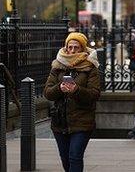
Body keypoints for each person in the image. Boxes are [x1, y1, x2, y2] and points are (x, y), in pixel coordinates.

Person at [45, 32, 101, 172]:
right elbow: (47, 93)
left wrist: (76, 90)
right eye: (70, 47)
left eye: (76, 47)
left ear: (83, 48)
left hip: (82, 121)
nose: (72, 50)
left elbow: (95, 94)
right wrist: (60, 88)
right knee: (65, 158)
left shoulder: (90, 68)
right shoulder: (57, 66)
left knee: (75, 156)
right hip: (60, 121)